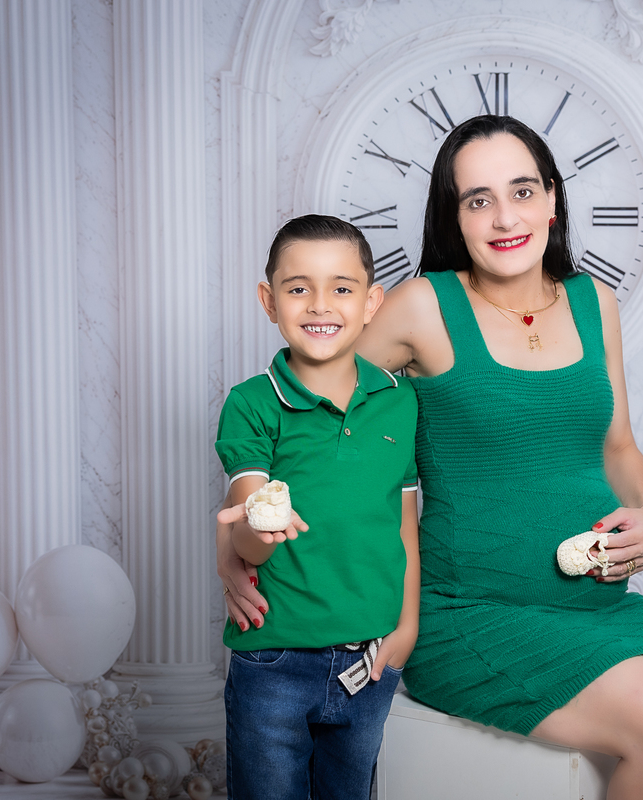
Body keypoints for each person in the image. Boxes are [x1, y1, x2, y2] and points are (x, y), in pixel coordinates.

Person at [220, 118, 643, 799]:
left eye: (522, 191)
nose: (505, 217)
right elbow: (297, 415)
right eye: (478, 200)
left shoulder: (594, 302)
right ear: (454, 217)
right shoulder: (423, 307)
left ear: (552, 199)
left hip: (596, 607)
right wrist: (235, 539)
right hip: (472, 615)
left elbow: (618, 445)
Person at [214, 214, 420, 800]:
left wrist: (406, 628)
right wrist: (256, 528)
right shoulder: (252, 403)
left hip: (369, 661)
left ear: (372, 302)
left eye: (342, 288)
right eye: (298, 288)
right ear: (269, 301)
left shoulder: (400, 401)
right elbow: (249, 535)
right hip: (273, 659)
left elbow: (405, 524)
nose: (320, 305)